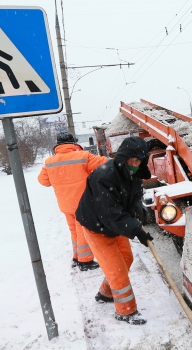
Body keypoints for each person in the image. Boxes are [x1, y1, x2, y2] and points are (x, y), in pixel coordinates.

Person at [75, 136, 154, 325]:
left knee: (127, 258)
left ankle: (105, 293)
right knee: (117, 268)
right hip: (96, 226)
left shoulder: (134, 173)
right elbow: (110, 214)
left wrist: (137, 207)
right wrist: (137, 230)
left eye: (139, 161)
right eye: (132, 160)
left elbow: (135, 194)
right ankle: (126, 311)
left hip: (114, 224)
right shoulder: (104, 176)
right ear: (123, 157)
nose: (135, 164)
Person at [38, 132, 107, 271]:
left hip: (65, 204)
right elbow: (104, 164)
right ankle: (85, 261)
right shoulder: (82, 156)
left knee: (74, 230)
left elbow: (43, 181)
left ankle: (76, 257)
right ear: (73, 143)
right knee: (83, 230)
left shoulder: (50, 162)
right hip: (82, 203)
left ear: (57, 145)